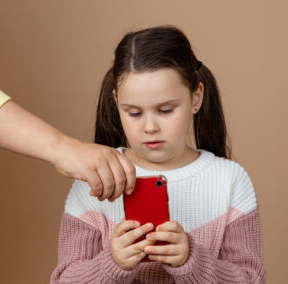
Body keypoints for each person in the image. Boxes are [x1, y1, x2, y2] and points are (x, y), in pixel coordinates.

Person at [50, 25, 266, 283]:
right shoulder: (95, 178)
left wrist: (191, 261)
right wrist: (112, 264)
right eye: (134, 113)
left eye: (165, 110)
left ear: (196, 98)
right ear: (117, 102)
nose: (150, 127)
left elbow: (252, 279)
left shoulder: (231, 180)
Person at [0, 81, 136, 202]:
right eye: (135, 113)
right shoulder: (89, 188)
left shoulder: (97, 172)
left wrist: (63, 149)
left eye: (161, 111)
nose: (150, 128)